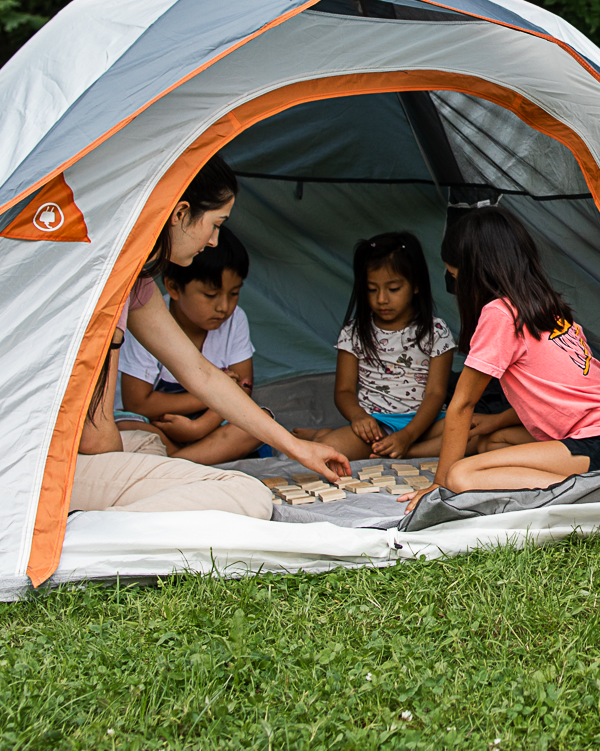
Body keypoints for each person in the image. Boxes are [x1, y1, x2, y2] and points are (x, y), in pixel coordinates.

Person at [71, 155, 349, 516]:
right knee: (246, 494)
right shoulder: (104, 286)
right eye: (215, 225)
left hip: (74, 454)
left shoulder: (135, 285)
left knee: (148, 448)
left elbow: (200, 372)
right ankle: (94, 528)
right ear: (180, 214)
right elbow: (96, 435)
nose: (215, 241)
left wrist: (297, 448)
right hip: (52, 467)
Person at [401, 206, 600, 500]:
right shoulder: (542, 304)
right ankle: (589, 480)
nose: (455, 288)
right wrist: (496, 420)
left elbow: (463, 403)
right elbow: (553, 396)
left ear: (474, 274)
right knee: (492, 442)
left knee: (460, 476)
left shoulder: (500, 313)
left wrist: (439, 486)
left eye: (455, 277)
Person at [294, 231, 459, 461]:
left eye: (393, 289)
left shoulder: (436, 331)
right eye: (372, 289)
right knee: (329, 449)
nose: (381, 299)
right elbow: (343, 391)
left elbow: (435, 393)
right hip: (376, 425)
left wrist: (408, 435)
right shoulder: (354, 332)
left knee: (470, 431)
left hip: (426, 424)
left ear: (415, 285)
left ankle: (403, 449)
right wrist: (358, 417)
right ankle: (332, 438)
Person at [116, 229, 256, 455]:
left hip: (211, 422)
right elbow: (138, 404)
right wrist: (217, 392)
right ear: (173, 287)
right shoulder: (146, 322)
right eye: (210, 295)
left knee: (256, 424)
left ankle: (176, 460)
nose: (224, 307)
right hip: (159, 425)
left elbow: (244, 388)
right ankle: (196, 458)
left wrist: (199, 427)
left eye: (233, 294)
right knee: (128, 428)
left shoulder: (235, 320)